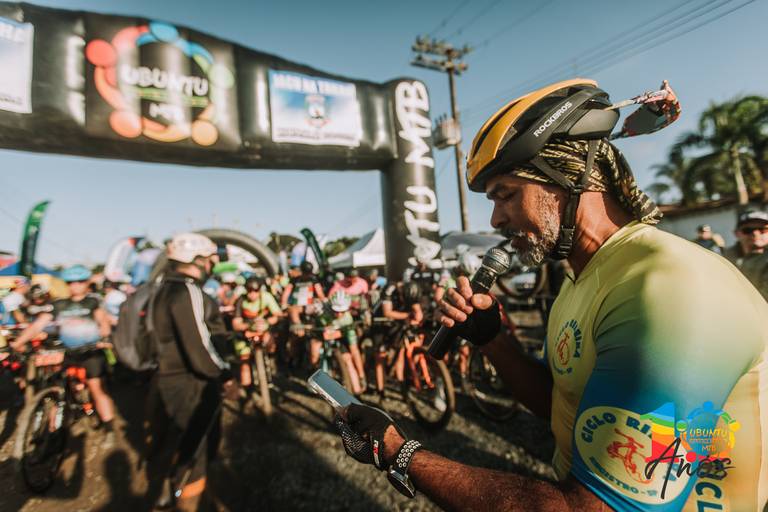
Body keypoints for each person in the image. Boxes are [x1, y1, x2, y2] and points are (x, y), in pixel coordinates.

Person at [334, 79, 768, 511]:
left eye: (506, 195)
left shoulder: (669, 286)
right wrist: (492, 339)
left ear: (571, 179)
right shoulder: (580, 280)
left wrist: (400, 453)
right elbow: (559, 403)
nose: (495, 219)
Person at [150, 233, 235, 511]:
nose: (212, 266)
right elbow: (201, 348)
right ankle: (188, 503)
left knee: (183, 443)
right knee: (195, 453)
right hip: (192, 384)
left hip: (168, 379)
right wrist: (226, 376)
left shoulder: (161, 289)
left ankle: (189, 494)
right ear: (197, 260)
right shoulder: (188, 291)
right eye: (210, 260)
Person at [12, 265, 116, 448]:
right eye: (71, 282)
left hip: (91, 352)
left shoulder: (92, 302)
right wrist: (18, 343)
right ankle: (53, 431)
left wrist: (105, 337)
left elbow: (103, 322)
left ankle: (109, 429)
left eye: (80, 281)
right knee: (58, 386)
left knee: (96, 388)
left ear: (86, 283)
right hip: (69, 353)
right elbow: (37, 325)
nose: (75, 285)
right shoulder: (59, 304)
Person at [231, 275, 282, 387]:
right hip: (244, 334)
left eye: (255, 291)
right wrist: (250, 325)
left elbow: (278, 315)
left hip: (263, 331)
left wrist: (266, 322)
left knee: (271, 343)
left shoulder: (266, 297)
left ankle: (271, 364)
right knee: (244, 366)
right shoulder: (241, 300)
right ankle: (248, 390)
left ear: (260, 290)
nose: (252, 294)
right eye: (249, 291)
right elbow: (236, 324)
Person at [724, 210, 768, 300]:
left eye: (763, 229)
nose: (755, 234)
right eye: (748, 230)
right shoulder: (724, 258)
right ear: (736, 233)